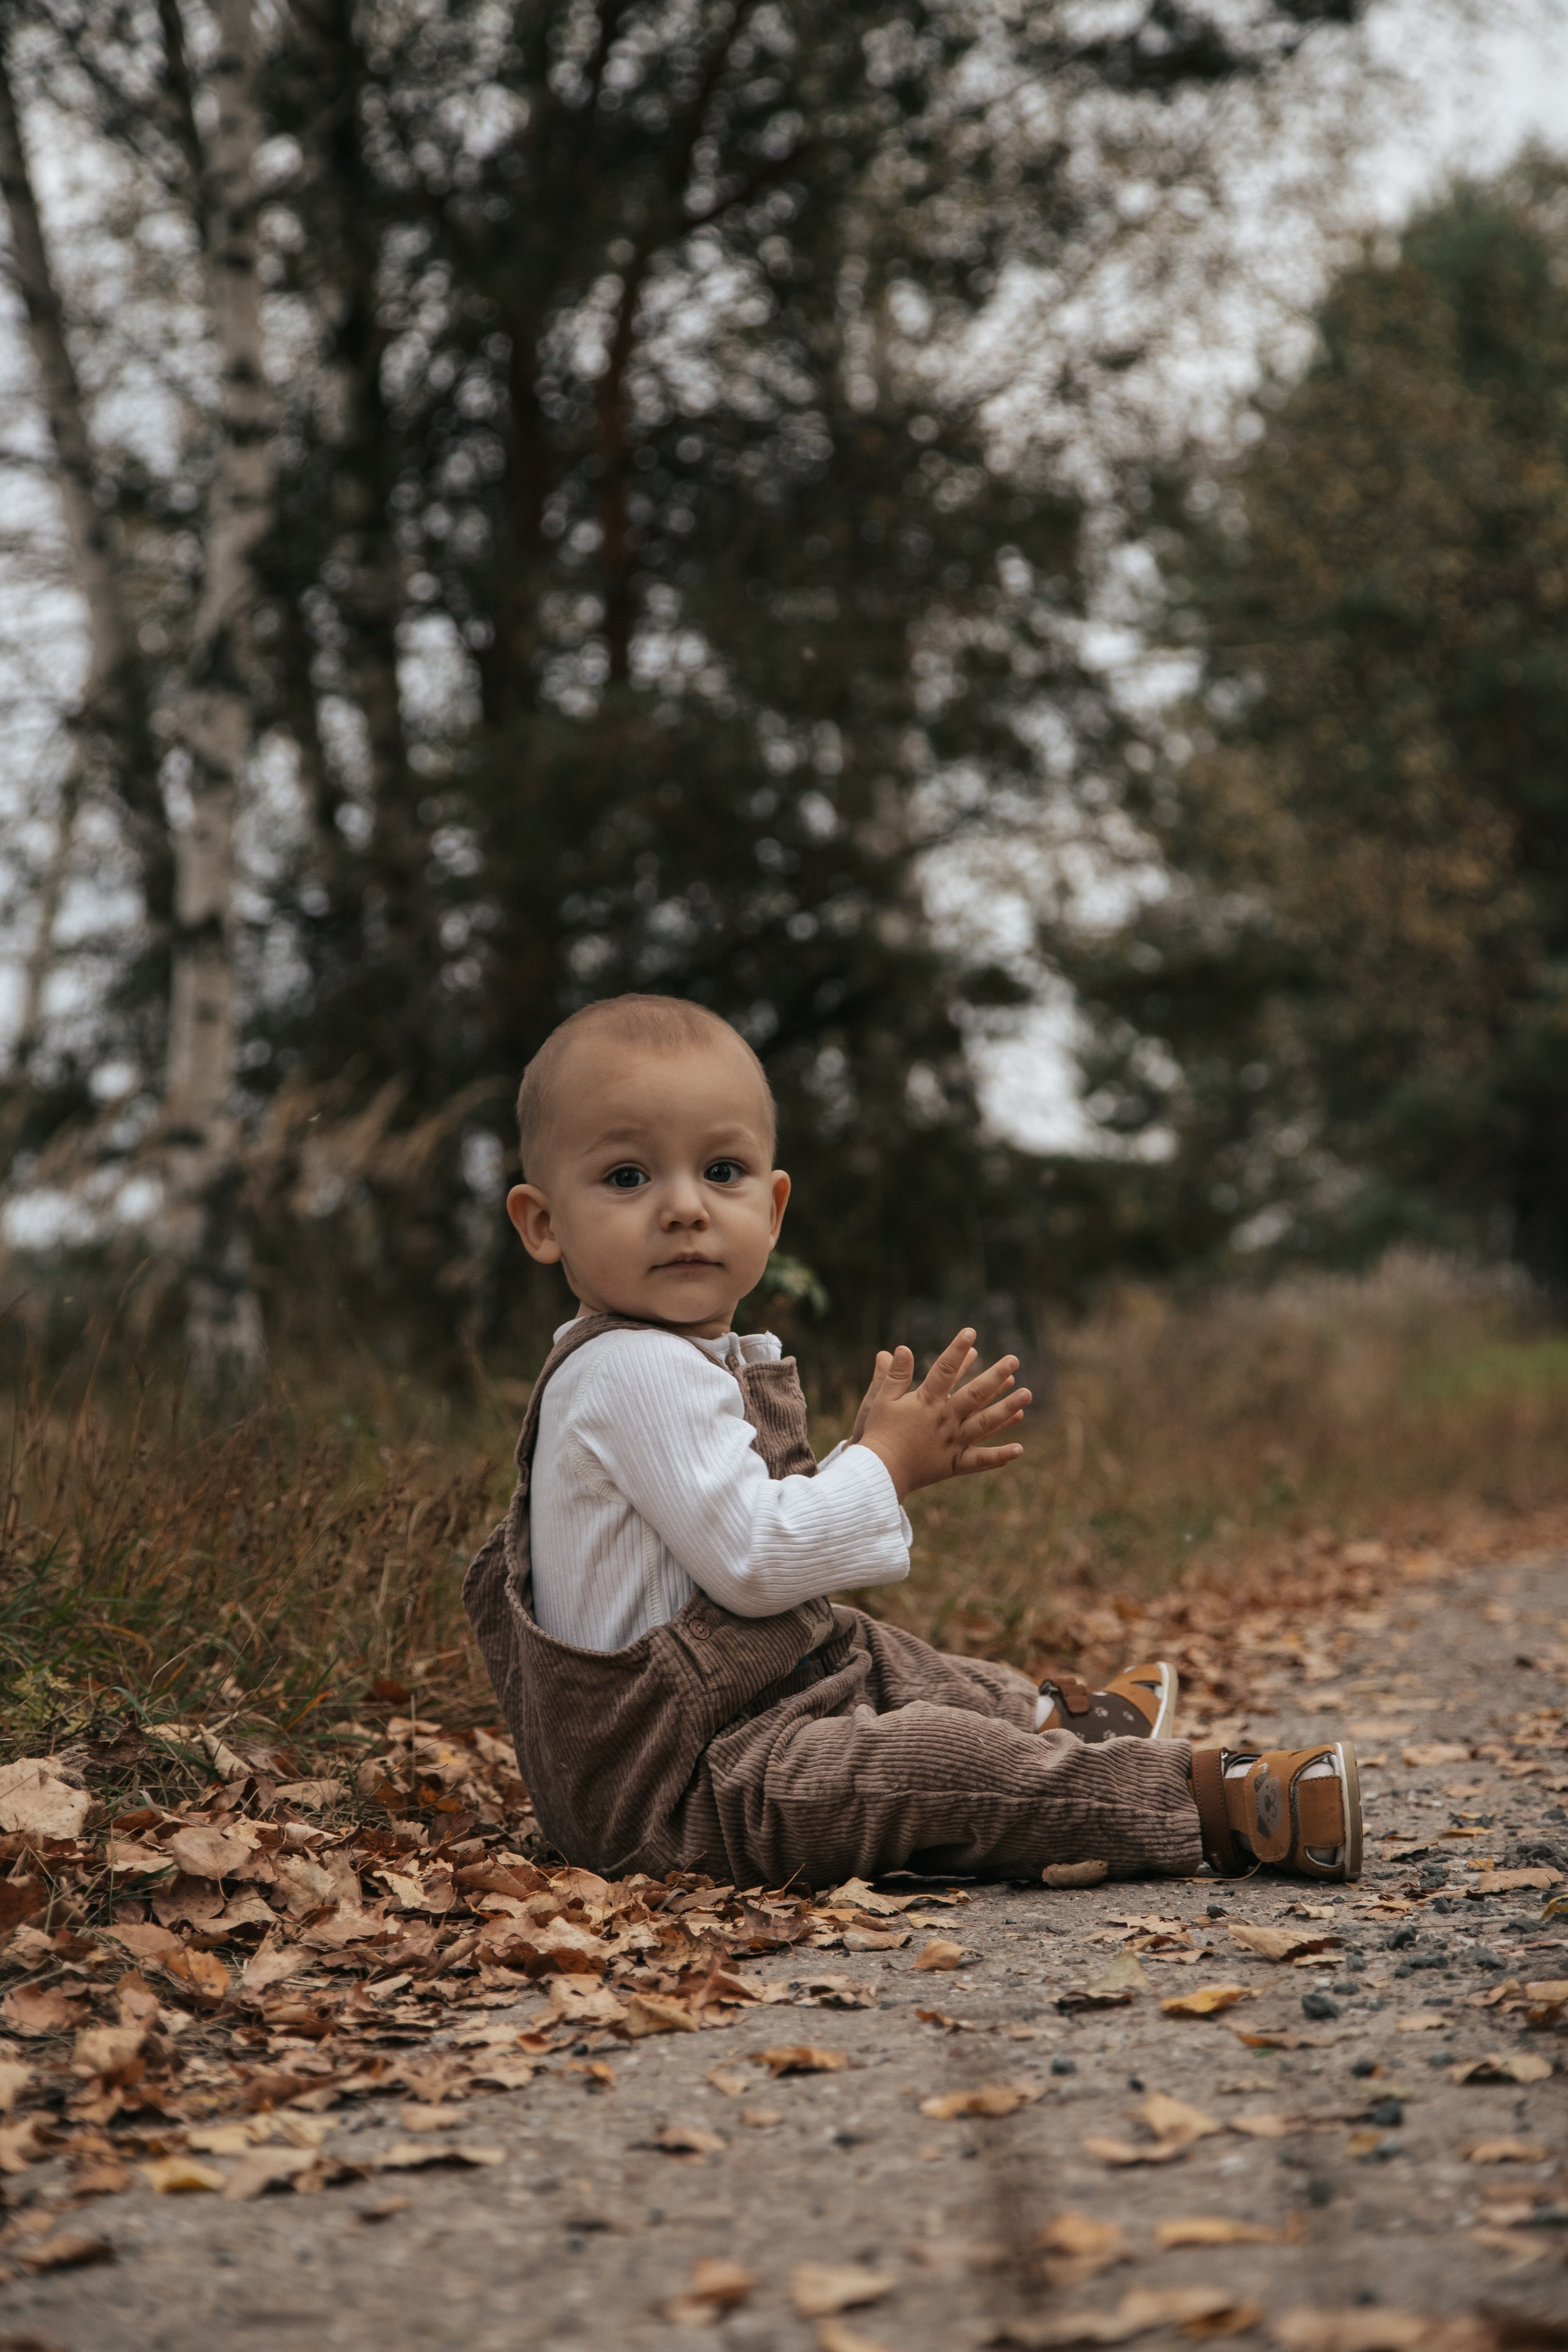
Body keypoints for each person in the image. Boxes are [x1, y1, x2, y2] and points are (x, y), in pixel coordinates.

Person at [465, 995, 1361, 1891]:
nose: (685, 1208)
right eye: (628, 1178)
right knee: (932, 1764)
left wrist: (859, 1460)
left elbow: (735, 1551)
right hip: (677, 1795)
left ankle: (1046, 1723)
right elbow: (751, 1560)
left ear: (773, 1211)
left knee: (865, 1649)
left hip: (740, 1719)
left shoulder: (681, 1361)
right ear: (543, 1224)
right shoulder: (631, 1371)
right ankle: (1212, 1804)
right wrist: (884, 1466)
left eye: (723, 1169)